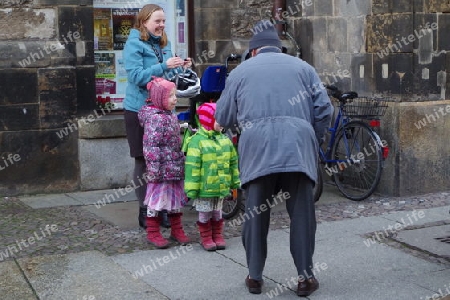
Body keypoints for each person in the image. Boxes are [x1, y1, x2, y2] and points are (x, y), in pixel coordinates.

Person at [215, 20, 333, 297]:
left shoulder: (240, 72)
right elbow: (324, 110)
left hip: (258, 149)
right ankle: (305, 278)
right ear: (279, 49)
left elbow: (222, 117)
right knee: (302, 216)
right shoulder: (304, 68)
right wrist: (311, 139)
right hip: (297, 147)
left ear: (253, 51)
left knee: (255, 215)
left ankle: (255, 277)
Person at [123, 4, 192, 230]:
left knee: (165, 159)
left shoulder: (164, 43)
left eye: (163, 21)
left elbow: (167, 77)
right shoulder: (134, 44)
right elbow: (136, 77)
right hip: (138, 111)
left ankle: (161, 207)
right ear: (144, 22)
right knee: (144, 160)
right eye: (157, 21)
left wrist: (180, 68)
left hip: (163, 112)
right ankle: (146, 210)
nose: (162, 25)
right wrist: (164, 65)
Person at [137, 77, 190, 249]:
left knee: (175, 201)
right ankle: (152, 232)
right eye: (171, 96)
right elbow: (151, 147)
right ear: (160, 98)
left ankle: (177, 230)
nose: (175, 99)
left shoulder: (169, 115)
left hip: (173, 166)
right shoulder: (155, 119)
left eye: (175, 95)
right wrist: (154, 170)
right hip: (160, 170)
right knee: (156, 202)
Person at [184, 103, 240, 251]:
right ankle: (206, 237)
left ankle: (217, 234)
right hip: (204, 188)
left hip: (221, 186)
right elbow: (192, 167)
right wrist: (191, 188)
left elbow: (233, 164)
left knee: (217, 212)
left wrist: (235, 182)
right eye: (218, 119)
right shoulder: (197, 141)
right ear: (208, 120)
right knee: (204, 213)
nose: (222, 123)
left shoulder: (225, 140)